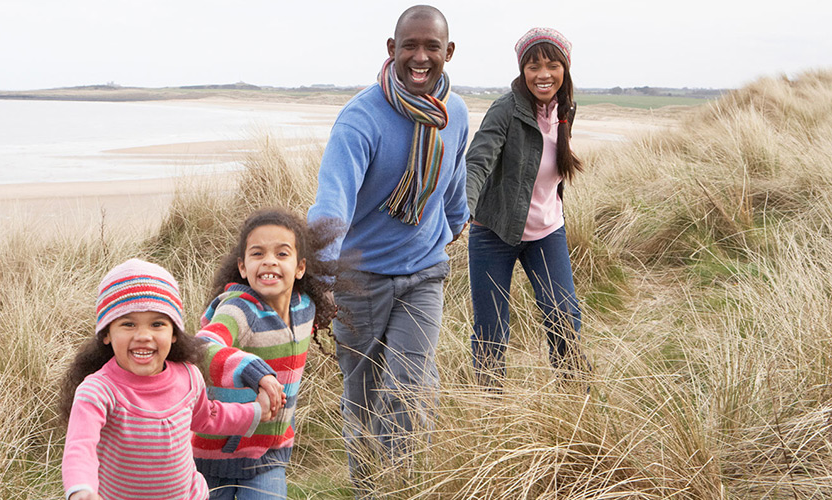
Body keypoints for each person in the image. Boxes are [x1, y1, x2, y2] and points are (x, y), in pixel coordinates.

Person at [306, 4, 469, 492]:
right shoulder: (360, 119)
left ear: (448, 52)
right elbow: (332, 205)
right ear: (392, 49)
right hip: (358, 280)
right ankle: (369, 489)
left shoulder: (455, 114)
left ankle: (405, 487)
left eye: (432, 47)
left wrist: (453, 223)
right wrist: (321, 284)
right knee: (362, 395)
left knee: (410, 389)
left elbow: (453, 179)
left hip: (424, 274)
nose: (420, 57)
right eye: (410, 46)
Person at [58, 258, 267, 500]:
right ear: (107, 333)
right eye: (128, 324)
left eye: (157, 324)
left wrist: (255, 412)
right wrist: (82, 490)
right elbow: (80, 446)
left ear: (174, 333)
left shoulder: (189, 376)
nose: (144, 336)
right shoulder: (97, 391)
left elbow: (207, 417)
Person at [464, 27, 590, 388]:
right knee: (491, 329)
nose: (543, 75)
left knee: (563, 316)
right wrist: (462, 209)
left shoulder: (567, 108)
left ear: (565, 69)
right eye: (533, 66)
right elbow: (478, 162)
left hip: (547, 231)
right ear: (523, 70)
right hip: (494, 231)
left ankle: (575, 396)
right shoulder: (505, 110)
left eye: (552, 65)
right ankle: (490, 405)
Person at [192, 208, 337, 500]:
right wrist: (253, 371)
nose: (269, 260)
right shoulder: (239, 309)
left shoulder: (305, 309)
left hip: (269, 454)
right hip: (213, 456)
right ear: (243, 267)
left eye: (282, 254)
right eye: (257, 253)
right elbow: (203, 346)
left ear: (300, 267)